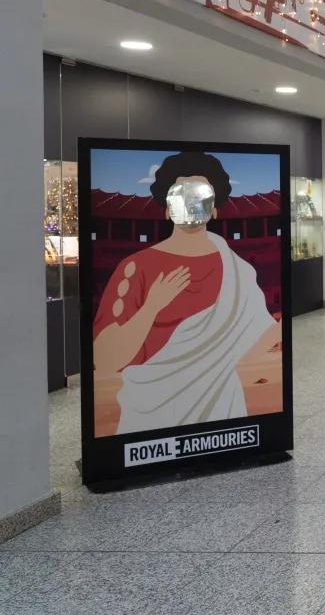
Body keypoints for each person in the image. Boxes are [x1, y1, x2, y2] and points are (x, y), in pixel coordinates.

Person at [91, 151, 280, 436]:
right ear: (166, 207)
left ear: (215, 207)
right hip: (151, 410)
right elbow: (106, 357)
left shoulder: (238, 271)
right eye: (182, 196)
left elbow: (256, 344)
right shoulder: (136, 267)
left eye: (200, 197)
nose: (191, 204)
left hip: (223, 407)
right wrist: (151, 307)